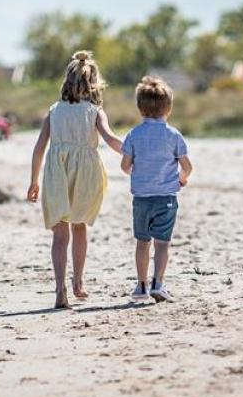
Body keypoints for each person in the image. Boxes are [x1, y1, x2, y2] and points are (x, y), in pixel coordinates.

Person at [26, 51, 124, 308]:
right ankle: (78, 282)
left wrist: (34, 181)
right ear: (93, 85)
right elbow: (111, 139)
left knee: (60, 234)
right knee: (79, 226)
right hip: (86, 173)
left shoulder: (53, 111)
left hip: (56, 172)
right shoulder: (94, 112)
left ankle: (60, 290)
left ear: (66, 82)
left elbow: (38, 148)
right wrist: (134, 151)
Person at [120, 76, 193, 303]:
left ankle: (141, 287)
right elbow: (187, 166)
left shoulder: (134, 134)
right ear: (168, 108)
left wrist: (139, 172)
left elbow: (125, 166)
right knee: (162, 243)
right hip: (166, 198)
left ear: (140, 108)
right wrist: (182, 178)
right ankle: (158, 284)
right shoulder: (173, 135)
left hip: (141, 198)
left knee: (143, 242)